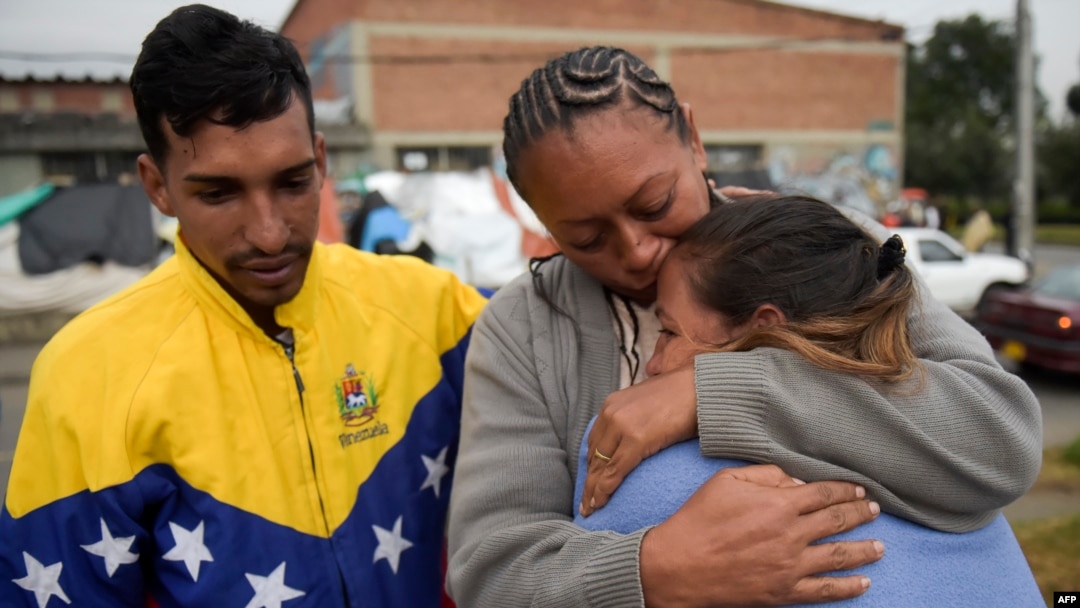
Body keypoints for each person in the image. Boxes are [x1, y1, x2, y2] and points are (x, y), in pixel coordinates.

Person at [446, 46, 1042, 607]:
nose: (636, 250)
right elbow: (489, 570)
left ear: (696, 141)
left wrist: (713, 394)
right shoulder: (523, 329)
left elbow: (999, 439)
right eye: (586, 238)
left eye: (654, 204)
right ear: (537, 216)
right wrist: (656, 570)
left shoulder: (823, 244)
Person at [0, 5, 486, 606]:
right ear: (157, 187)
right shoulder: (86, 374)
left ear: (322, 159)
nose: (269, 234)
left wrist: (644, 390)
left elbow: (577, 346)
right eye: (220, 193)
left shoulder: (432, 308)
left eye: (292, 182)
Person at [571, 194, 1043, 606]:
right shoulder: (956, 475)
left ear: (765, 327)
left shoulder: (638, 463)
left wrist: (712, 387)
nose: (653, 365)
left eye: (668, 331)